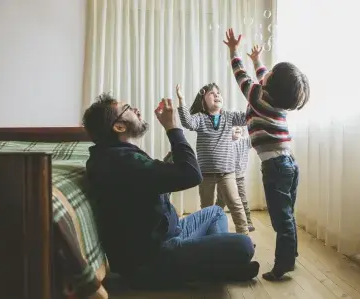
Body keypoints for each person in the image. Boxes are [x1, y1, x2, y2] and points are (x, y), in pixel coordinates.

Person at [82, 93, 259, 290]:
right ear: (119, 126)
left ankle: (215, 264)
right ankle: (217, 265)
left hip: (170, 234)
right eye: (129, 108)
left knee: (216, 212)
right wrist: (172, 127)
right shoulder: (123, 162)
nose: (137, 110)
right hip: (153, 259)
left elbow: (156, 178)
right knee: (244, 245)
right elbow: (192, 175)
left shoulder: (115, 157)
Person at [223, 28, 311, 281]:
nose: (265, 73)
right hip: (288, 164)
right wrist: (257, 61)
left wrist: (234, 51)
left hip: (276, 166)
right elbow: (262, 76)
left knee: (280, 219)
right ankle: (290, 256)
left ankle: (282, 266)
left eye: (269, 73)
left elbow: (241, 77)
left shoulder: (258, 97)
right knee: (287, 215)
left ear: (271, 84)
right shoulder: (275, 99)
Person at [176, 83, 250, 235]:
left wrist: (253, 99)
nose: (217, 95)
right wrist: (182, 100)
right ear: (203, 101)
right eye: (212, 93)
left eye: (218, 93)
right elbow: (187, 122)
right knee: (207, 209)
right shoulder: (200, 118)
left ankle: (244, 237)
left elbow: (246, 117)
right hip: (206, 174)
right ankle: (210, 238)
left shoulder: (229, 117)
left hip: (227, 172)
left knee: (236, 205)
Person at [216, 126, 255, 232]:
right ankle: (213, 222)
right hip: (225, 177)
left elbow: (254, 136)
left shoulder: (245, 141)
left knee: (243, 200)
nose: (238, 128)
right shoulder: (224, 142)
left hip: (239, 177)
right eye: (234, 126)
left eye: (240, 126)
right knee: (221, 201)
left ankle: (248, 222)